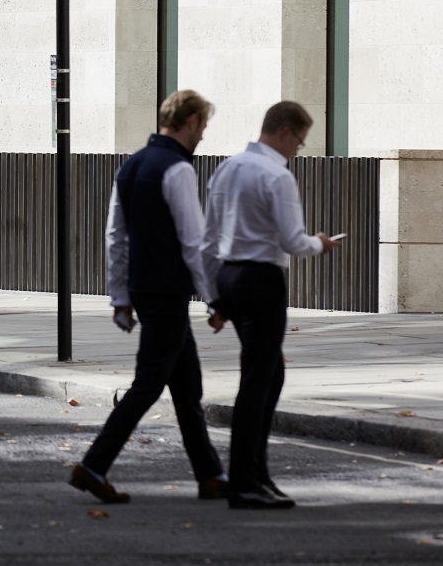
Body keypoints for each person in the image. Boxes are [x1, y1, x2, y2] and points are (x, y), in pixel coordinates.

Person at [69, 89, 230, 506]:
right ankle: (93, 466)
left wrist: (120, 296)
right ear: (191, 122)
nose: (203, 135)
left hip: (145, 289)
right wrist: (214, 298)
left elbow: (115, 236)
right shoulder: (177, 169)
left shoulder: (132, 164)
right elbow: (194, 243)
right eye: (203, 126)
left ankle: (211, 475)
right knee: (148, 384)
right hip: (168, 291)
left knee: (187, 385)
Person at [202, 100, 338, 509]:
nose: (298, 149)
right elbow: (293, 241)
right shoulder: (277, 176)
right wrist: (321, 243)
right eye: (300, 141)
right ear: (284, 132)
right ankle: (245, 482)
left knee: (270, 374)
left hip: (230, 275)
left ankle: (257, 474)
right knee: (258, 380)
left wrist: (214, 297)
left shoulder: (227, 168)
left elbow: (208, 240)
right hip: (261, 280)